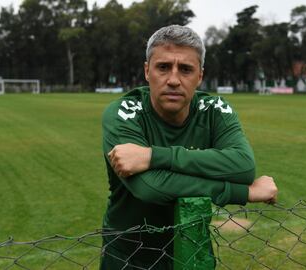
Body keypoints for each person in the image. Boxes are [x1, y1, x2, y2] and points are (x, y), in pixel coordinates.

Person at [100, 24, 278, 269]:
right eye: (163, 67)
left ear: (200, 76)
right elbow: (150, 187)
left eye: (185, 69)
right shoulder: (124, 112)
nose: (173, 80)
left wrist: (153, 156)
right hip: (129, 256)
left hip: (193, 249)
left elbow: (243, 166)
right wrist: (244, 193)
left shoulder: (215, 109)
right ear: (147, 71)